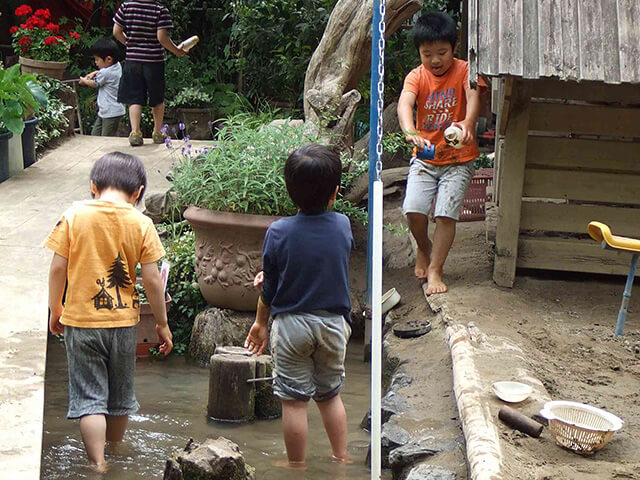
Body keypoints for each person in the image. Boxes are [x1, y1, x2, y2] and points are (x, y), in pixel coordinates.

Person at [45, 152, 173, 472]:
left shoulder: (74, 215)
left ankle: (98, 463)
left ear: (93, 186)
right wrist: (161, 324)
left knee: (90, 398)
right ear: (138, 192)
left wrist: (55, 309)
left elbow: (57, 268)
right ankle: (116, 455)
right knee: (119, 399)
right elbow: (154, 282)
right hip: (124, 324)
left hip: (82, 323)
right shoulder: (141, 223)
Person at [244, 144, 353, 469]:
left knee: (294, 402)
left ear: (290, 192)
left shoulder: (278, 232)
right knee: (330, 395)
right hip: (334, 324)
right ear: (334, 193)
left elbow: (273, 287)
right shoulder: (343, 226)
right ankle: (341, 457)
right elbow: (323, 262)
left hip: (292, 326)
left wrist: (261, 323)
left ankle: (296, 466)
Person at [398, 11, 486, 295]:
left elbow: (473, 96)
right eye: (427, 54)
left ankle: (436, 269)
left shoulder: (464, 70)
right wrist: (411, 132)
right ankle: (424, 248)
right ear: (419, 53)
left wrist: (468, 123)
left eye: (442, 52)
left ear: (454, 47)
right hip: (424, 158)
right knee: (413, 209)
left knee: (446, 215)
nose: (435, 60)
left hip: (459, 159)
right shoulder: (416, 76)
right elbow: (404, 104)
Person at [112, 0, 186, 147]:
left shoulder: (127, 7)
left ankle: (135, 133)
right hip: (154, 62)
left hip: (132, 60)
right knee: (157, 98)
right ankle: (158, 132)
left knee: (135, 98)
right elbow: (162, 38)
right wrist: (176, 50)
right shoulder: (160, 10)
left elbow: (116, 31)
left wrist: (130, 43)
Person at [79, 38, 126, 137]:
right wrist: (95, 72)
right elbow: (103, 74)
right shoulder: (116, 66)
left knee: (106, 139)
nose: (96, 62)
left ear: (108, 59)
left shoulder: (105, 73)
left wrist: (84, 80)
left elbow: (95, 84)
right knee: (95, 135)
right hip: (106, 111)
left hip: (111, 112)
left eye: (97, 59)